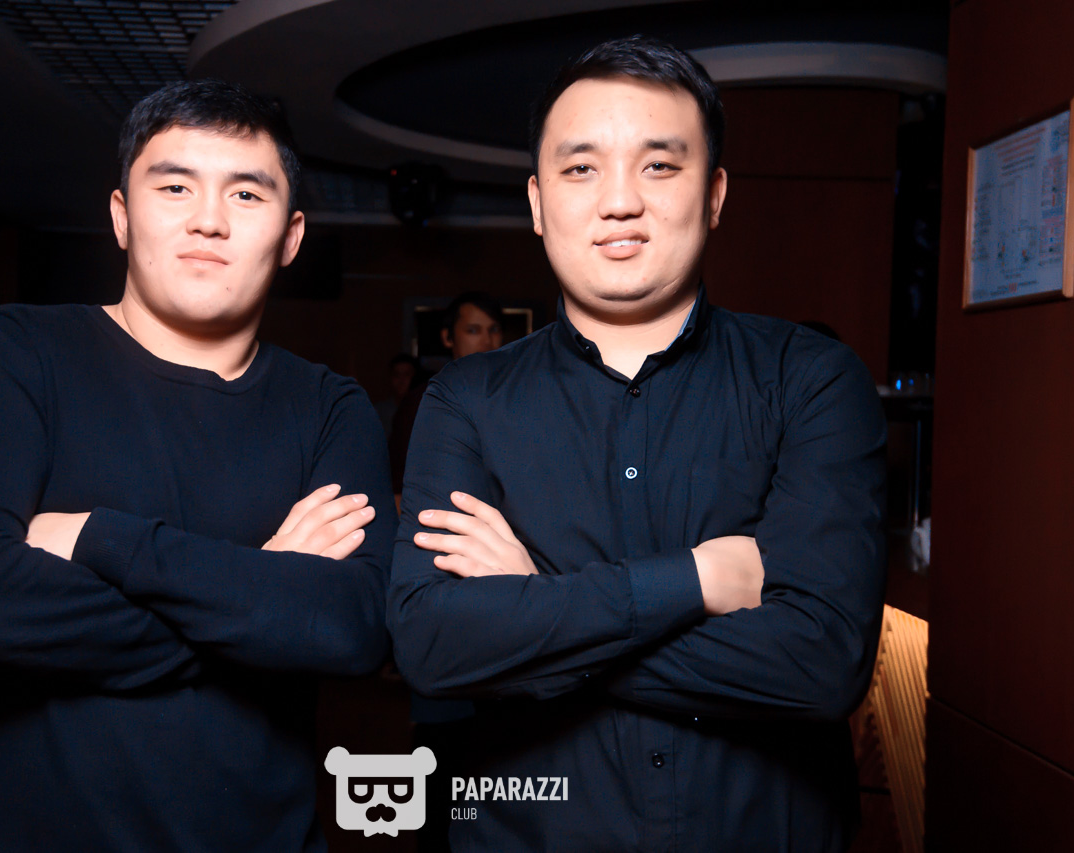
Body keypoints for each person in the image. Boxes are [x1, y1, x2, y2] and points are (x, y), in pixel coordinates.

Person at [388, 36, 886, 852]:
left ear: (714, 193)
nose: (620, 200)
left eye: (658, 165)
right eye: (581, 168)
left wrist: (538, 604)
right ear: (538, 202)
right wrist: (695, 581)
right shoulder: (464, 399)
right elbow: (434, 646)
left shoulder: (811, 380)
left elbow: (821, 664)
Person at [0, 80, 395, 851]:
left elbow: (349, 628)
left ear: (291, 236)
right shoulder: (21, 352)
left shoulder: (331, 406)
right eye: (174, 187)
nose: (208, 219)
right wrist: (264, 584)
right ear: (122, 216)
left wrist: (102, 538)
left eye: (246, 193)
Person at [387, 291, 503, 496]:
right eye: (473, 330)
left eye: (493, 330)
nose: (487, 340)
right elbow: (398, 485)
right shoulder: (424, 400)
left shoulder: (512, 397)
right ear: (448, 337)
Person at [374, 352, 421, 436]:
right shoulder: (380, 411)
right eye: (397, 375)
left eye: (406, 374)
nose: (401, 380)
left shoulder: (421, 411)